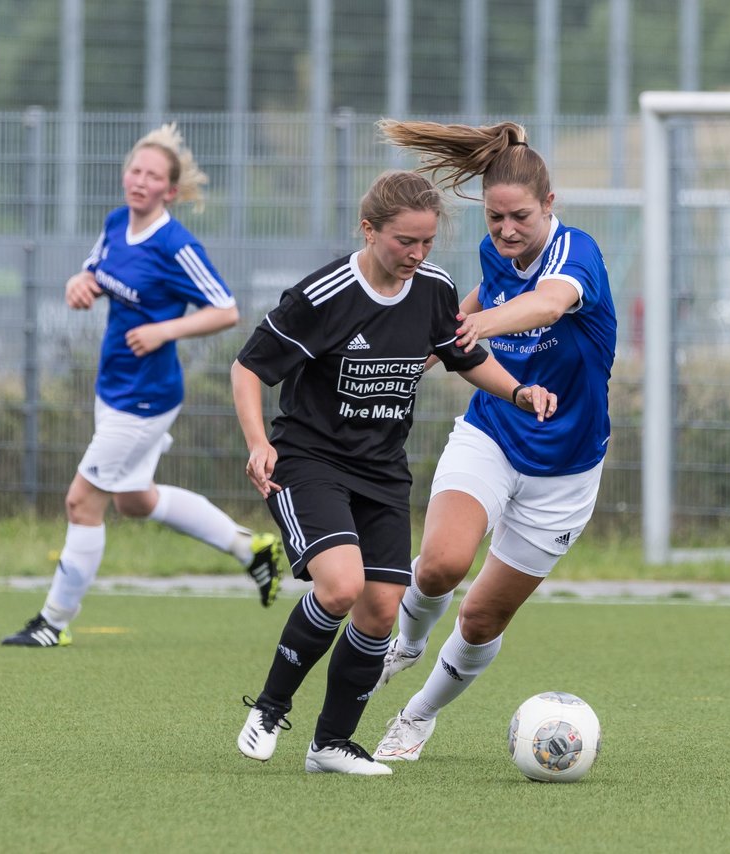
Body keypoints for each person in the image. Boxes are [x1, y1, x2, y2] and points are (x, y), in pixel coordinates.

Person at [232, 168, 556, 776]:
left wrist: (518, 393)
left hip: (382, 471)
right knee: (339, 587)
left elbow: (464, 356)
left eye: (428, 242)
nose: (417, 254)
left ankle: (331, 745)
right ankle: (271, 707)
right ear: (369, 229)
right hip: (310, 462)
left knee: (382, 610)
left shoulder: (433, 289)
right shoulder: (324, 296)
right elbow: (248, 368)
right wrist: (257, 442)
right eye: (405, 240)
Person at [368, 120, 616, 763]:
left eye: (521, 218)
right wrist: (437, 341)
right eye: (495, 218)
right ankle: (405, 642)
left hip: (565, 470)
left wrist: (477, 324)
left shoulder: (576, 252)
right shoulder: (495, 253)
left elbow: (548, 304)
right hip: (494, 433)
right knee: (440, 565)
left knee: (480, 619)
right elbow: (489, 293)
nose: (507, 231)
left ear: (551, 206)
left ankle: (417, 716)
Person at [2, 123, 283, 648]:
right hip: (112, 388)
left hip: (146, 397)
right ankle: (253, 551)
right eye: (135, 170)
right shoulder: (114, 224)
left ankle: (52, 622)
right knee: (133, 500)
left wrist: (163, 330)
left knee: (81, 502)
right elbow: (90, 274)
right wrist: (77, 284)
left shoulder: (175, 244)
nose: (140, 180)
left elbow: (226, 310)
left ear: (170, 191)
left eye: (153, 176)